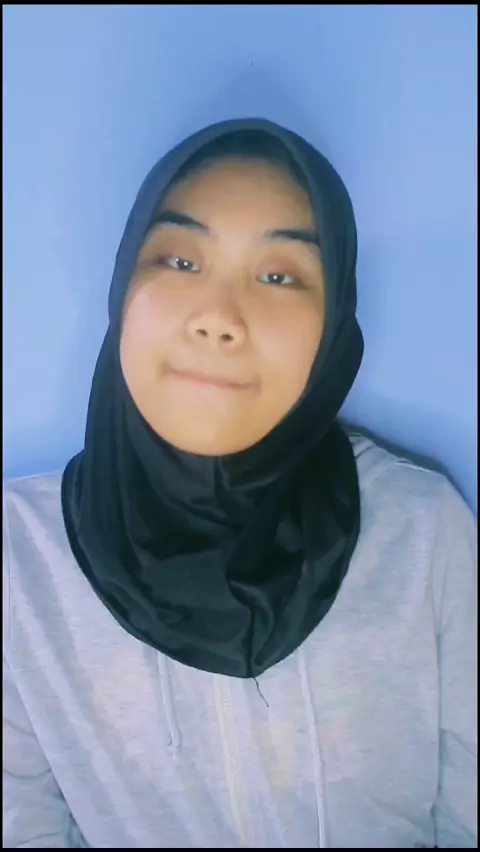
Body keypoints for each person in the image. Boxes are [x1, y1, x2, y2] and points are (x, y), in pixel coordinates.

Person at [3, 118, 476, 850]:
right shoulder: (18, 561)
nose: (220, 319)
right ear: (122, 289)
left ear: (334, 324)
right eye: (179, 260)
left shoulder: (422, 529)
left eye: (279, 276)